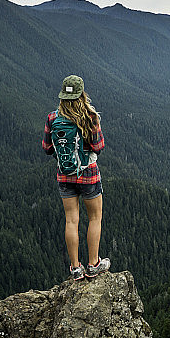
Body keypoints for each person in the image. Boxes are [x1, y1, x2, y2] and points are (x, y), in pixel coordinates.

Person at [42, 75, 111, 281]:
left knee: (71, 220)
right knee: (95, 218)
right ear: (82, 94)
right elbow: (99, 147)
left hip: (64, 175)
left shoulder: (52, 118)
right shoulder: (90, 117)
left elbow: (46, 148)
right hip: (88, 175)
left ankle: (75, 268)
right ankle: (93, 264)